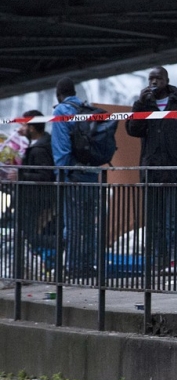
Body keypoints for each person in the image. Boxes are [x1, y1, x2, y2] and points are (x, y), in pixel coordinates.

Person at [125, 66, 177, 271]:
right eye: (151, 78)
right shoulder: (144, 104)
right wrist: (139, 105)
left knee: (173, 220)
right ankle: (157, 262)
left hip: (174, 172)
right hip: (152, 173)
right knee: (154, 222)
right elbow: (133, 130)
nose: (154, 82)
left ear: (167, 80)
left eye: (158, 78)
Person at [51, 77, 100, 277]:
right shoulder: (87, 109)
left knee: (73, 224)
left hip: (72, 175)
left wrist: (60, 175)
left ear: (58, 94)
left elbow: (61, 148)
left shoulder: (61, 111)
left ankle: (73, 267)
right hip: (92, 174)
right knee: (89, 223)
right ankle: (88, 266)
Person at [18, 111, 58, 268]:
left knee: (30, 235)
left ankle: (64, 243)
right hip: (35, 198)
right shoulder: (39, 144)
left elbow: (44, 175)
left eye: (23, 125)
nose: (20, 128)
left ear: (32, 128)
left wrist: (20, 175)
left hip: (36, 199)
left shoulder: (40, 149)